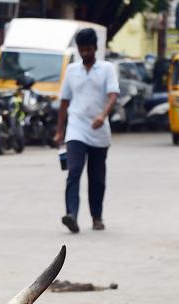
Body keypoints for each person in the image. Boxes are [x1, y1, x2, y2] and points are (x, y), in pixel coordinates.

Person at [52, 28, 118, 233]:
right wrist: (59, 130)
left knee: (96, 178)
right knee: (74, 171)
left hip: (99, 130)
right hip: (76, 128)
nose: (85, 53)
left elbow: (113, 95)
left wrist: (103, 115)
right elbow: (64, 101)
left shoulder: (107, 68)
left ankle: (97, 217)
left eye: (88, 49)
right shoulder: (72, 70)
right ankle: (71, 214)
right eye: (82, 49)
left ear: (96, 48)